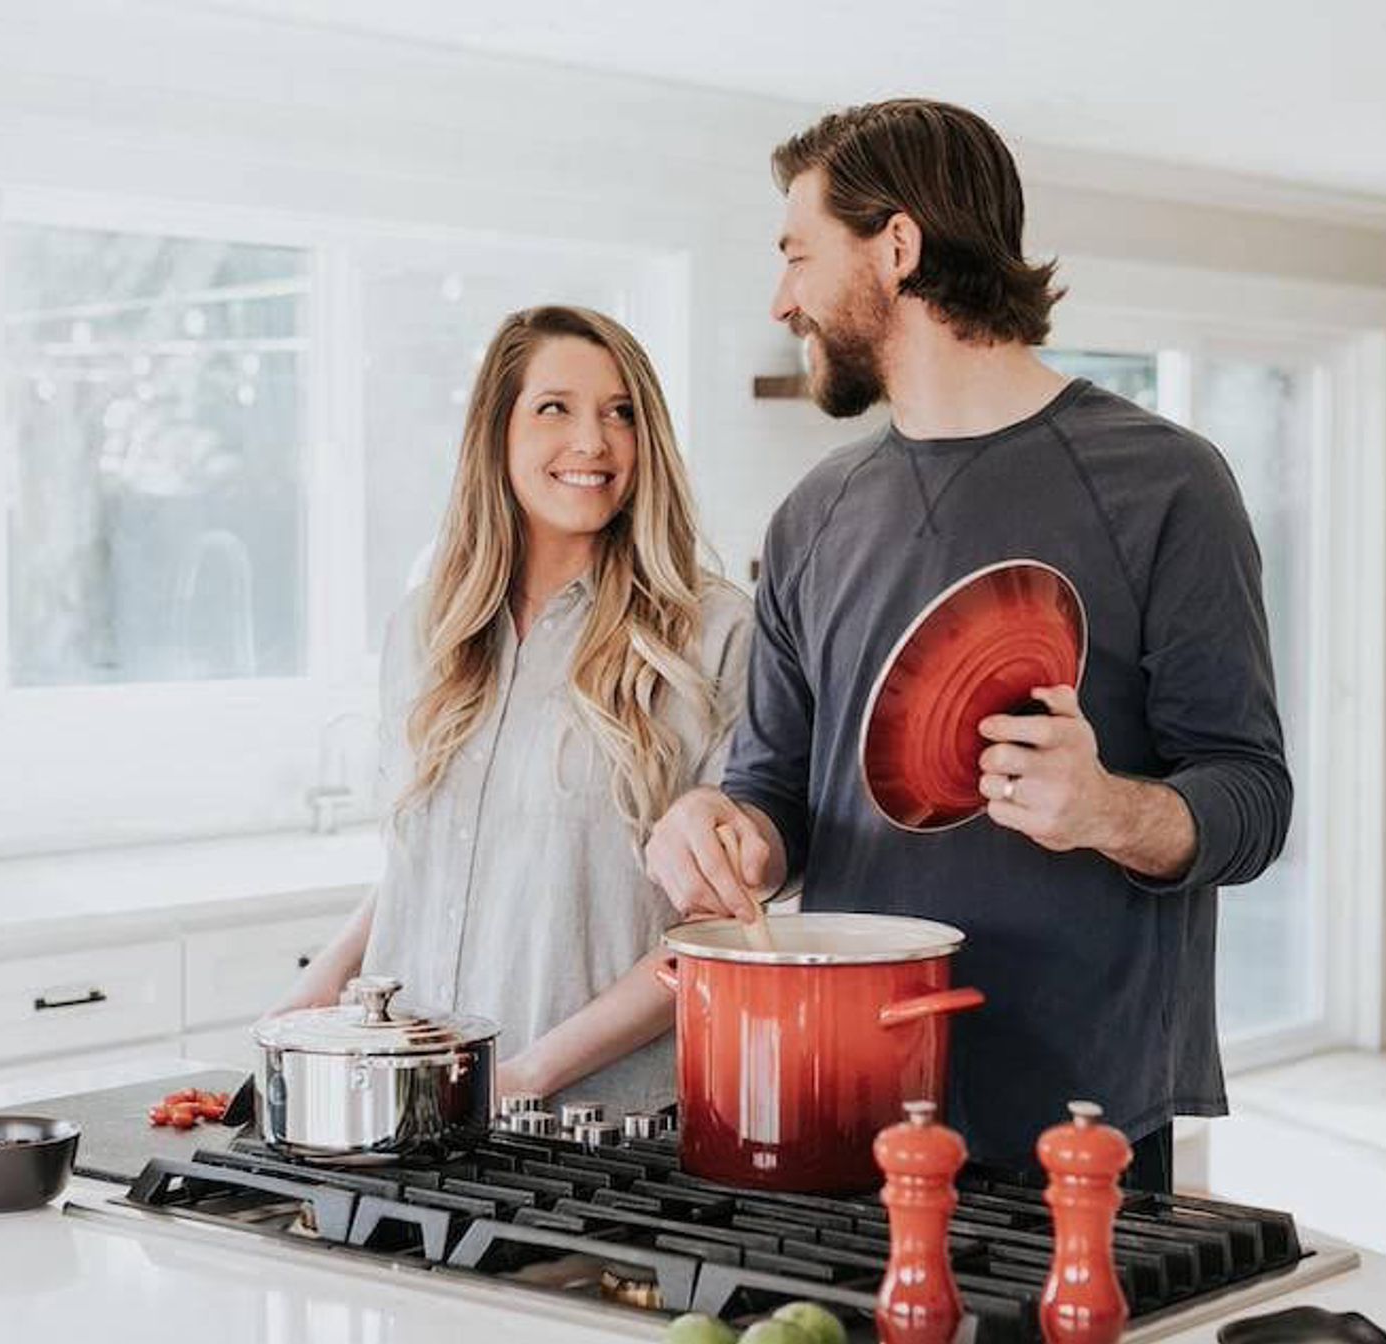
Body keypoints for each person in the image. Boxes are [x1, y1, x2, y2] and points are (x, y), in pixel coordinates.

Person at [644, 100, 1291, 1192]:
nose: (782, 298)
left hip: (1077, 1117)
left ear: (896, 248)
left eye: (798, 254)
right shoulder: (814, 511)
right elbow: (776, 791)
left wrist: (1110, 810)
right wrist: (726, 831)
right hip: (845, 1096)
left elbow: (1253, 797)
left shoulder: (1166, 482)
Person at [276, 305, 752, 1113]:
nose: (593, 442)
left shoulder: (710, 636)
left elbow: (722, 932)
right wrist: (302, 1013)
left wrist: (525, 1075)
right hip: (415, 1115)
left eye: (620, 413)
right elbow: (423, 867)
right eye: (554, 408)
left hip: (603, 1130)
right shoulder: (427, 626)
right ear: (496, 433)